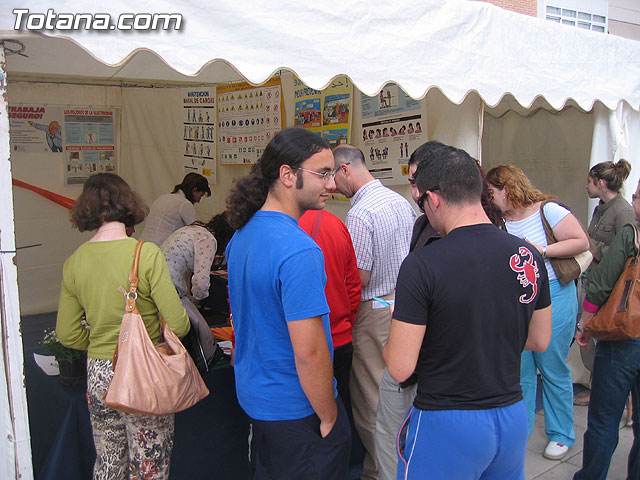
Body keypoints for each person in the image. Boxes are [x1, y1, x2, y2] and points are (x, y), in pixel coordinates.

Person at [384, 143, 552, 480]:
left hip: (446, 420)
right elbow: (539, 339)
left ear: (433, 199)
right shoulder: (526, 254)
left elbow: (400, 367)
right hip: (511, 414)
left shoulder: (422, 264)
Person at [225, 128, 351, 480]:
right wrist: (328, 417)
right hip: (297, 410)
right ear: (287, 174)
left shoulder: (241, 235)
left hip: (257, 400)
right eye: (322, 173)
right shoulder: (299, 250)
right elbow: (308, 351)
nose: (332, 184)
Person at [56, 173, 190, 480]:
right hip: (143, 372)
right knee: (148, 466)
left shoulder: (74, 262)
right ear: (128, 204)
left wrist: (102, 343)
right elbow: (180, 324)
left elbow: (67, 333)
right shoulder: (146, 254)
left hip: (99, 373)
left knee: (108, 461)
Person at [486, 164, 591, 460]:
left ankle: (562, 433)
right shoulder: (498, 220)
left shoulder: (548, 210)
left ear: (506, 188)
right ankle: (521, 429)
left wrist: (541, 251)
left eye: (492, 192)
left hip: (554, 292)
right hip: (516, 298)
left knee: (552, 364)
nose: (490, 198)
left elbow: (581, 241)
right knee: (521, 367)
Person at [332, 144, 415, 480]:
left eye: (331, 175)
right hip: (404, 304)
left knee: (371, 399)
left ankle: (384, 471)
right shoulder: (399, 200)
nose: (331, 185)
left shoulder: (360, 213)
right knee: (399, 390)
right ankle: (386, 466)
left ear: (346, 170)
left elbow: (360, 276)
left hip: (374, 309)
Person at [573, 178, 640, 480]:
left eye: (637, 196)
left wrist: (585, 322)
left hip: (624, 337)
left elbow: (602, 283)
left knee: (603, 420)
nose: (633, 202)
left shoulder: (632, 235)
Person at [574, 159, 634, 407]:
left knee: (598, 336)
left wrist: (591, 245)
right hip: (591, 280)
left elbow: (625, 253)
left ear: (600, 183)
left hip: (607, 288)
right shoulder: (600, 208)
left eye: (589, 182)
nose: (586, 187)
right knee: (589, 338)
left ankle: (618, 396)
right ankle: (595, 385)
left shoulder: (623, 211)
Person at [298, 209, 361, 422]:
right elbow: (353, 285)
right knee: (341, 411)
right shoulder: (337, 224)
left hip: (299, 345)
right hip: (340, 339)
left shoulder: (278, 230)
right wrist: (346, 323)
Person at [139, 173, 211, 246]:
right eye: (200, 196)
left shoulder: (163, 197)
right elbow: (197, 232)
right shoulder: (185, 204)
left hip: (142, 245)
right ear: (194, 190)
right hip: (160, 247)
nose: (198, 201)